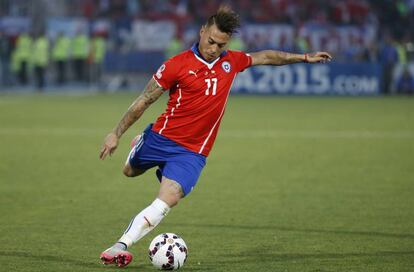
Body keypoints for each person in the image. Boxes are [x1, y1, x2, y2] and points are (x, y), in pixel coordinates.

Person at [99, 5, 332, 268]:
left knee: (169, 198)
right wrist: (115, 133)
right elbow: (144, 100)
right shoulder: (176, 65)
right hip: (160, 137)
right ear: (201, 32)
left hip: (192, 152)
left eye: (220, 44)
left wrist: (303, 57)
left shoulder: (230, 62)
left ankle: (120, 245)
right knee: (129, 171)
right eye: (210, 41)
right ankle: (138, 144)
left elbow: (266, 56)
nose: (214, 48)